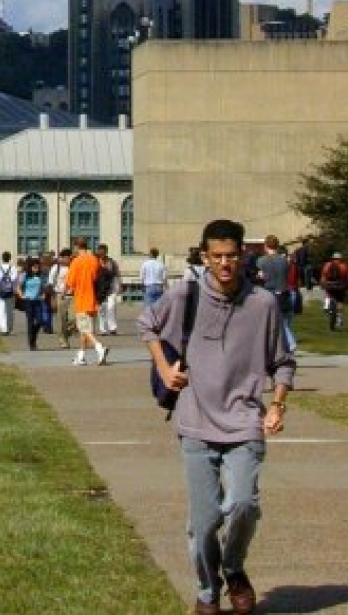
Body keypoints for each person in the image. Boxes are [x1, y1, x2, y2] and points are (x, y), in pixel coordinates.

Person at [137, 218, 296, 615]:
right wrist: (163, 368)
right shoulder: (184, 296)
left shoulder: (263, 304)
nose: (225, 263)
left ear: (243, 255)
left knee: (244, 503)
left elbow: (283, 361)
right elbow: (148, 325)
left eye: (231, 256)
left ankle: (234, 567)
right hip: (195, 420)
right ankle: (207, 591)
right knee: (205, 521)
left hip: (244, 420)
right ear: (205, 257)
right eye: (217, 256)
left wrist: (277, 405)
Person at [65, 236, 109, 367]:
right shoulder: (94, 260)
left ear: (76, 247)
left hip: (81, 299)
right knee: (86, 330)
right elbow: (97, 277)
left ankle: (99, 347)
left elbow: (70, 282)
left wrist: (64, 291)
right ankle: (81, 356)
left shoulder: (76, 262)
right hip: (93, 299)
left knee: (85, 329)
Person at [256, 235, 295, 352]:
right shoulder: (285, 261)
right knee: (286, 321)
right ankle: (285, 346)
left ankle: (290, 342)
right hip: (284, 291)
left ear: (266, 246)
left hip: (269, 292)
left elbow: (261, 276)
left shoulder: (261, 261)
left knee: (272, 323)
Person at [16, 256, 46, 351]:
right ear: (30, 267)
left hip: (37, 301)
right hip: (28, 301)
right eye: (34, 267)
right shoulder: (25, 276)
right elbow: (18, 287)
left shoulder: (40, 276)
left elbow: (43, 288)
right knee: (30, 322)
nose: (36, 269)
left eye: (38, 267)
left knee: (40, 321)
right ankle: (32, 343)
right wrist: (22, 295)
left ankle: (33, 336)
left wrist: (43, 294)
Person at [48, 248, 73, 348]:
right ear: (62, 258)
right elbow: (50, 284)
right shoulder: (56, 268)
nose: (69, 259)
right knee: (61, 319)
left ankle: (66, 334)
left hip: (73, 296)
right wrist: (52, 298)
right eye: (68, 257)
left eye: (70, 257)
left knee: (74, 319)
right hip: (60, 296)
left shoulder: (73, 266)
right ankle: (63, 340)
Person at [320, 252, 348, 331]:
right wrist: (345, 286)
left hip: (329, 286)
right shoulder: (344, 266)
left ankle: (326, 306)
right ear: (341, 258)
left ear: (333, 258)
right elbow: (346, 279)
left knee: (328, 294)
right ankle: (339, 318)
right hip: (340, 286)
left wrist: (323, 284)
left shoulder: (327, 265)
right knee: (340, 301)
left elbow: (323, 276)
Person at [95, 243, 121, 335]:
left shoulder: (111, 262)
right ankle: (103, 329)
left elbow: (117, 275)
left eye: (103, 251)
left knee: (111, 307)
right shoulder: (95, 261)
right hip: (99, 290)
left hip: (110, 289)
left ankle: (112, 328)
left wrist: (118, 287)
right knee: (101, 310)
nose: (101, 253)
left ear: (106, 252)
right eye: (100, 251)